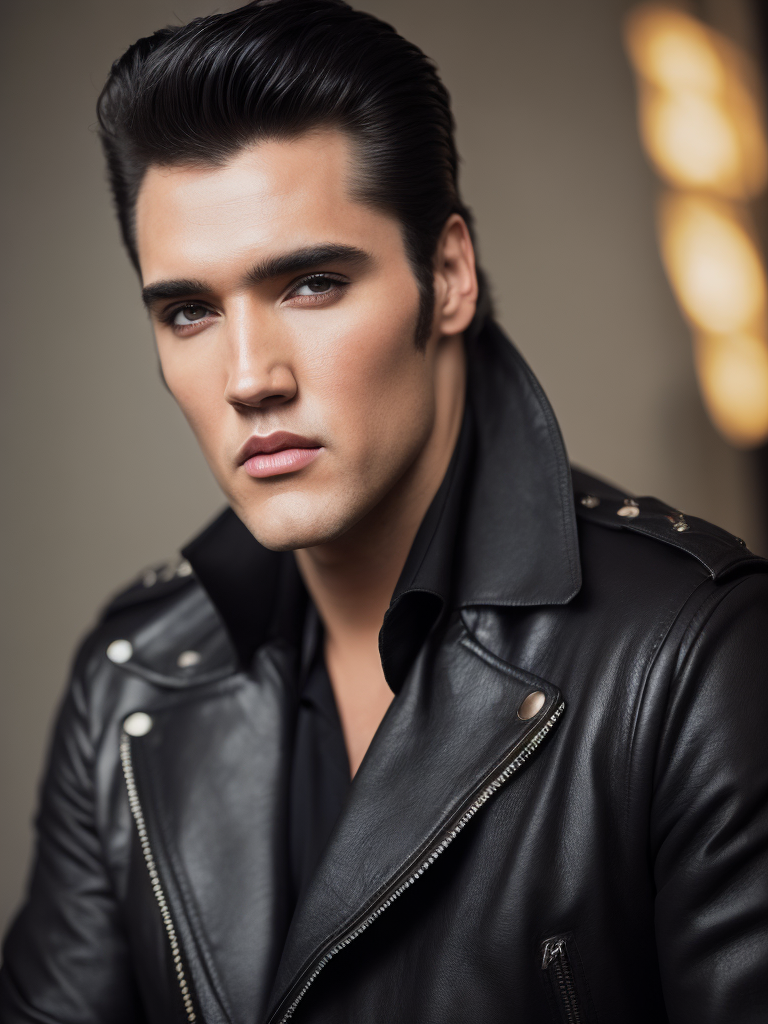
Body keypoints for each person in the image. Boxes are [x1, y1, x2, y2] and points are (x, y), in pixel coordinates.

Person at [2, 1, 767, 1021]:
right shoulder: (130, 681)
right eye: (189, 310)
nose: (247, 377)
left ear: (447, 276)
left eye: (311, 284)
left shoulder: (694, 655)